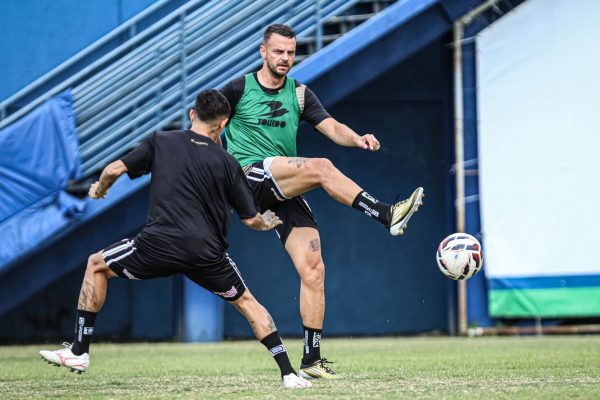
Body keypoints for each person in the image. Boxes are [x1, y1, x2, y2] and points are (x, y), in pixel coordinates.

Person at [39, 90, 312, 389]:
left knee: (96, 265)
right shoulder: (228, 162)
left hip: (158, 246)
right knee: (248, 303)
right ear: (223, 124)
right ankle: (288, 373)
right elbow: (250, 219)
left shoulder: (162, 141)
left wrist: (100, 189)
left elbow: (113, 170)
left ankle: (79, 351)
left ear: (192, 114)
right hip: (206, 254)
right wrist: (266, 222)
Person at [220, 24, 424, 380]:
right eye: (278, 51)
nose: (285, 58)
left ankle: (311, 360)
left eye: (290, 52)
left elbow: (330, 126)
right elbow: (208, 125)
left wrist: (356, 138)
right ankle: (386, 214)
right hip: (249, 176)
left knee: (314, 269)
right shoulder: (238, 89)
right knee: (322, 167)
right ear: (263, 52)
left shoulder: (299, 94)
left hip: (281, 186)